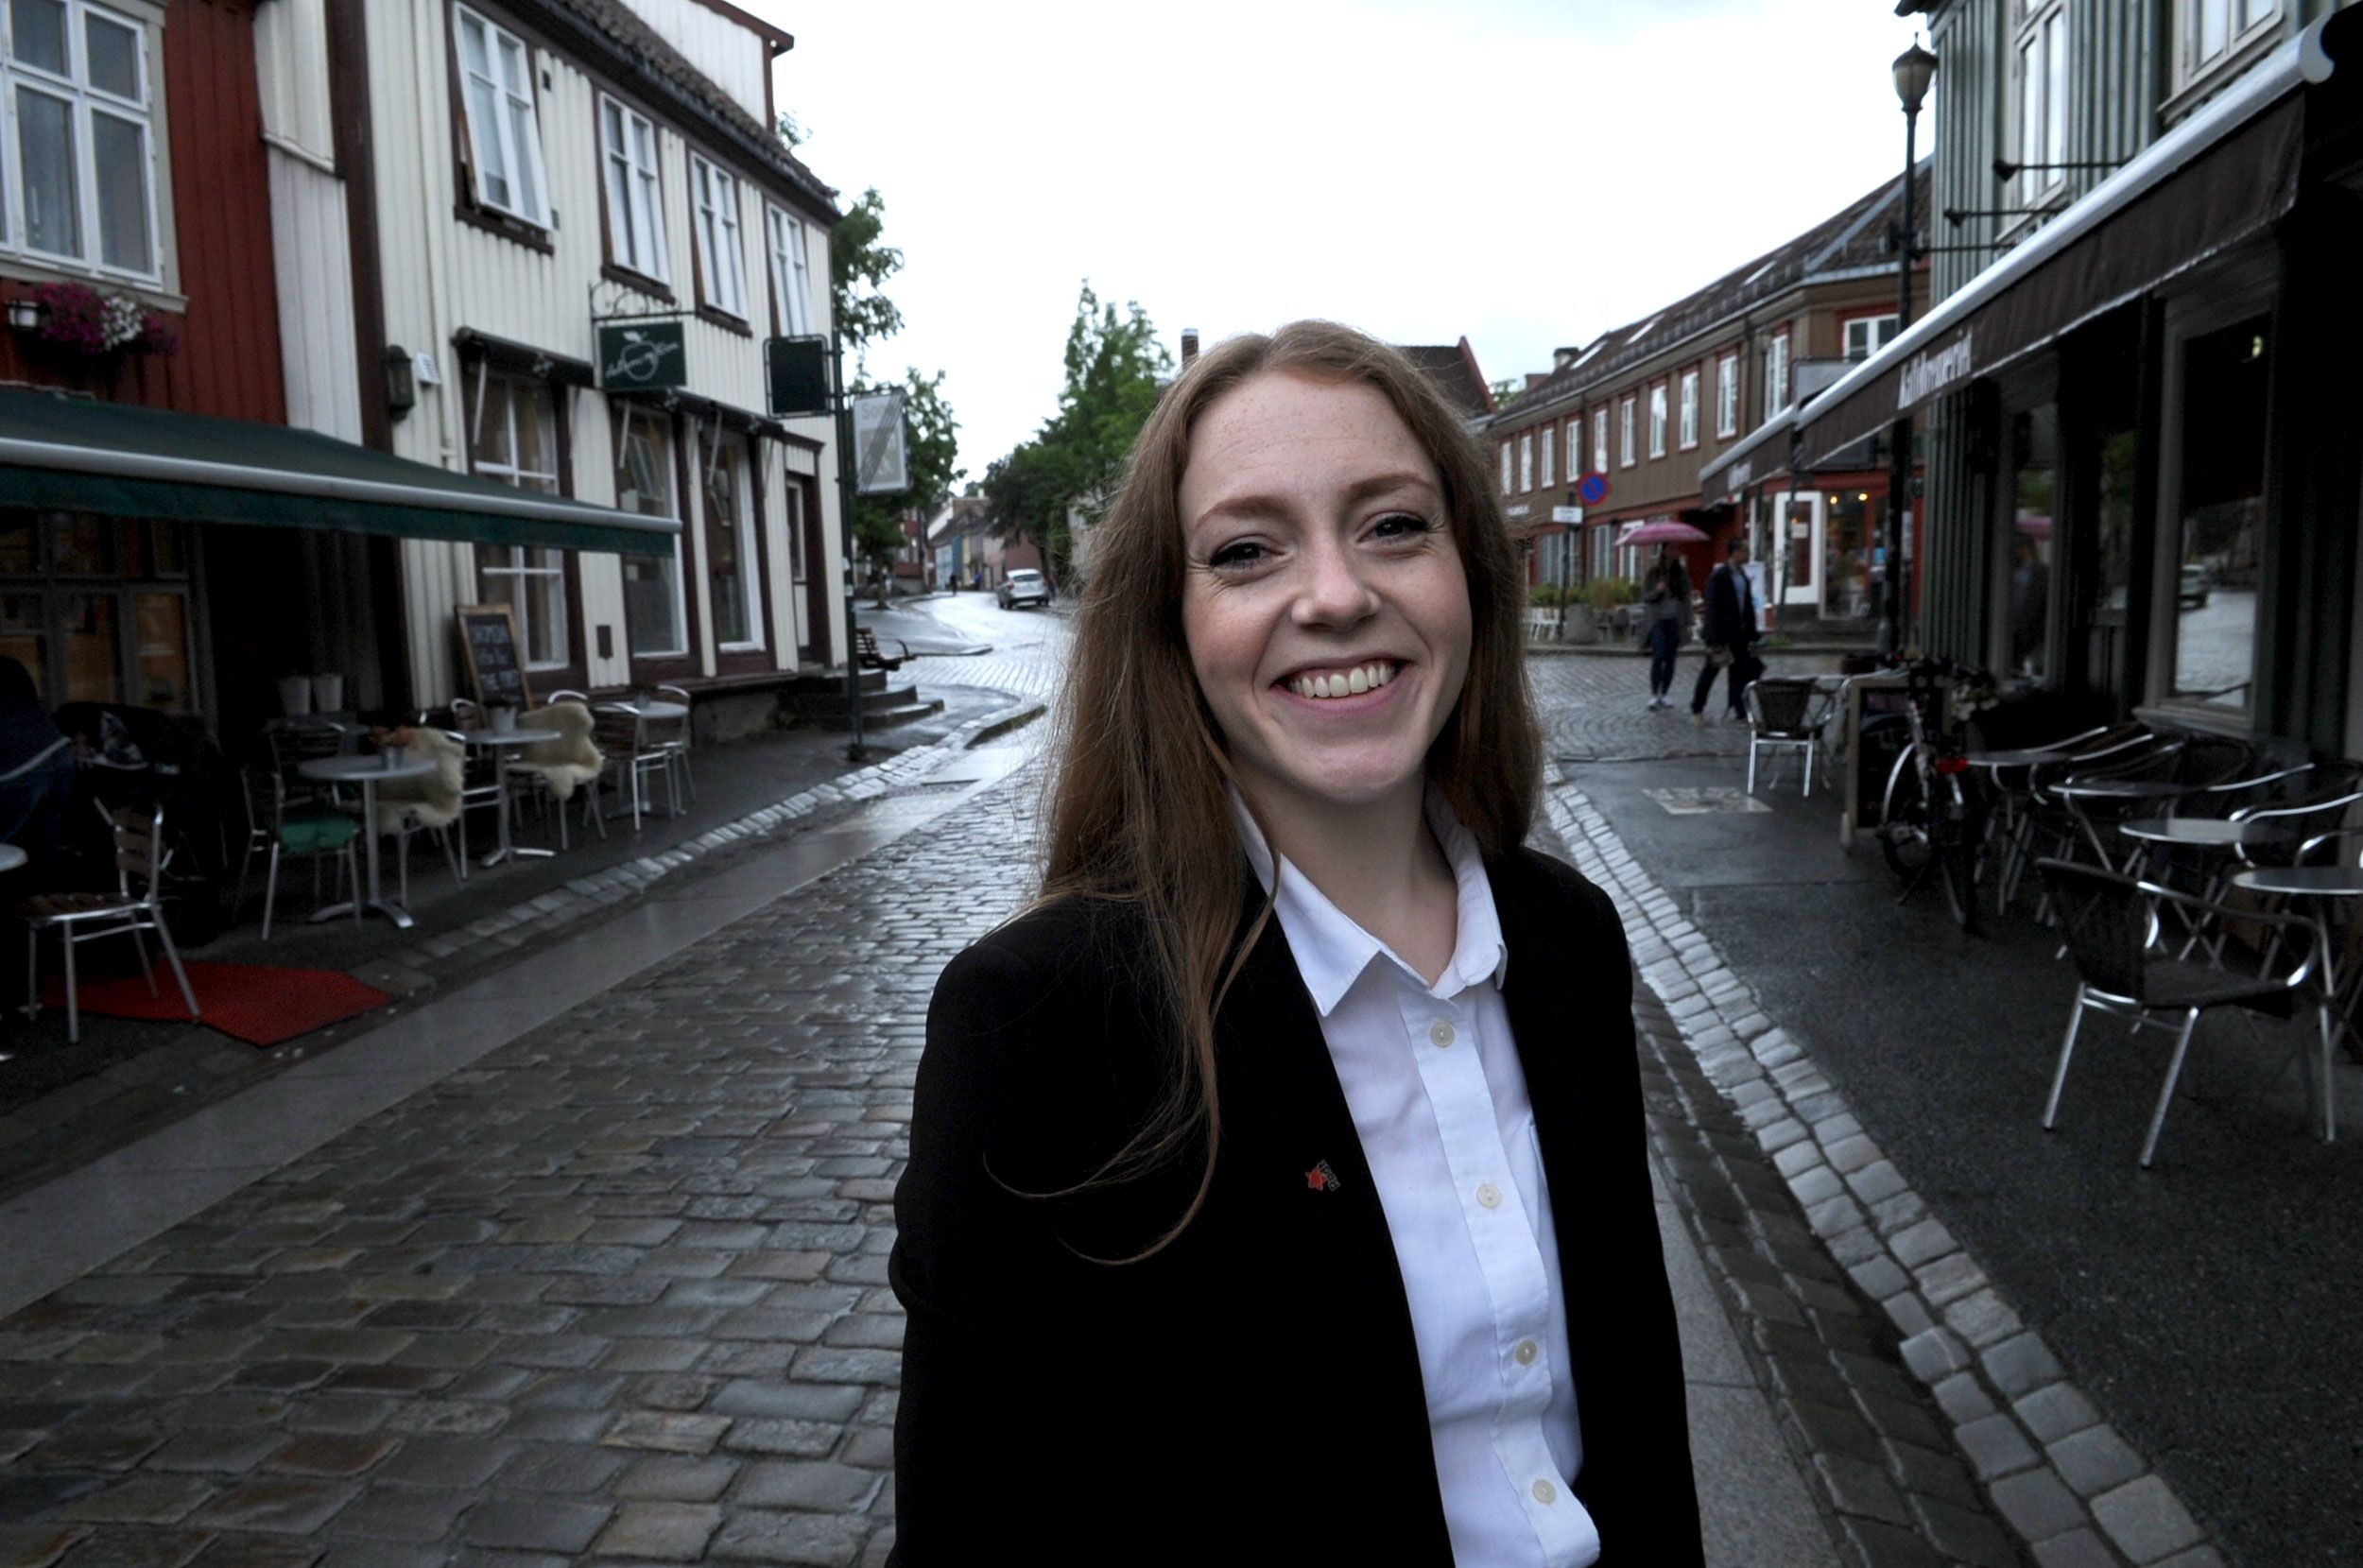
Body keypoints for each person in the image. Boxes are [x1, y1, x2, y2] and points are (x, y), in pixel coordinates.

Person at [892, 322, 1703, 1566]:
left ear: (1470, 574)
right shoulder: (1042, 1022)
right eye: (1246, 550)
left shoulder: (1568, 940)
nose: (1334, 594)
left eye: (1393, 525)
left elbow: (1636, 1420)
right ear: (1169, 623)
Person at [0, 656, 74, 890]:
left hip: (25, 761)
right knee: (45, 836)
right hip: (56, 748)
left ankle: (32, 898)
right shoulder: (9, 669)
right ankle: (41, 898)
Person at [1690, 534, 1762, 724]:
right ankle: (1697, 709)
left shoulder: (1742, 576)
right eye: (1745, 550)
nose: (1748, 554)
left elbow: (1747, 606)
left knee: (1739, 674)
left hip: (1740, 634)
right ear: (1735, 552)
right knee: (1710, 671)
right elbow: (1713, 608)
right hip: (1721, 634)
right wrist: (1714, 639)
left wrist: (1753, 633)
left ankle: (1740, 711)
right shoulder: (1719, 576)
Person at [1638, 547, 1692, 710]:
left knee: (1670, 658)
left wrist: (1688, 622)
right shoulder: (1654, 573)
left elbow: (1686, 599)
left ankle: (1665, 693)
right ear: (1664, 551)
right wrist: (1657, 590)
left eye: (1676, 549)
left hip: (1674, 620)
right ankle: (1654, 694)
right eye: (1670, 549)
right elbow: (1645, 597)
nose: (1673, 553)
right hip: (1657, 621)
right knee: (1658, 655)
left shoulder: (1681, 574)